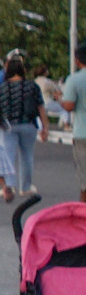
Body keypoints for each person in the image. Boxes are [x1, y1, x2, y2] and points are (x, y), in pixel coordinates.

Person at [0, 56, 45, 199]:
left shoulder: (2, 88)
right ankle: (26, 187)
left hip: (8, 126)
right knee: (27, 157)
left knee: (9, 156)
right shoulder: (32, 86)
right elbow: (40, 107)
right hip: (28, 124)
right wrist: (45, 127)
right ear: (22, 70)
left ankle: (9, 186)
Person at [59, 44, 86, 200]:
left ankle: (83, 218)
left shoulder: (75, 79)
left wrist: (60, 100)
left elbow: (69, 105)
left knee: (85, 180)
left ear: (77, 60)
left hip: (82, 133)